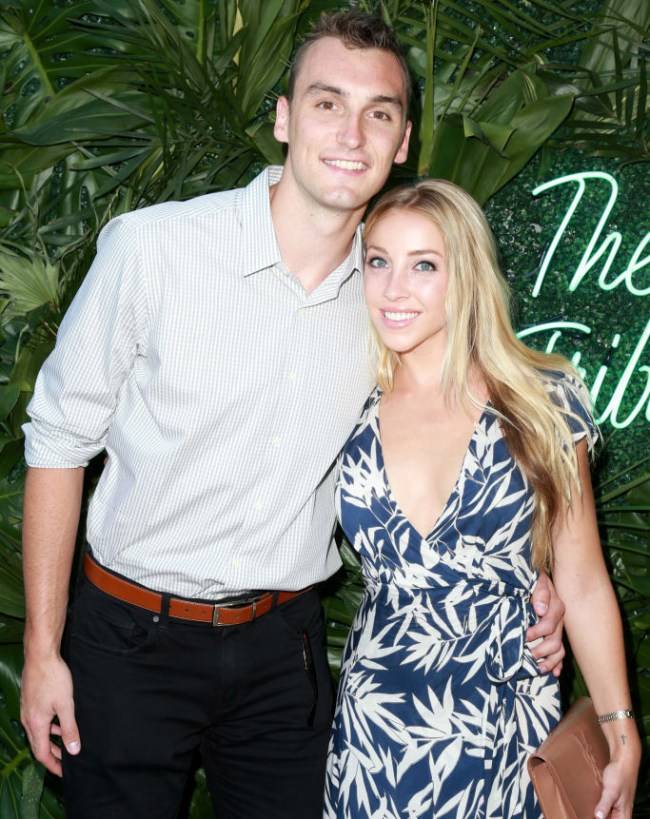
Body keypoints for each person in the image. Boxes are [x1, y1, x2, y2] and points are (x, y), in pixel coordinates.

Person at [19, 11, 564, 819]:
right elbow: (58, 441)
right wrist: (41, 650)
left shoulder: (394, 296)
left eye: (378, 112)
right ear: (283, 117)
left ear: (402, 140)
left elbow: (479, 430)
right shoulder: (153, 251)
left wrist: (534, 576)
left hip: (284, 650)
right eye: (326, 103)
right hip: (130, 638)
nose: (351, 133)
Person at [324, 179, 641, 819]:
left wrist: (622, 732)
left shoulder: (541, 400)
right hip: (374, 730)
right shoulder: (344, 398)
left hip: (505, 723)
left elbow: (581, 581)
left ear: (465, 274)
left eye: (424, 265)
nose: (394, 288)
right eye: (379, 261)